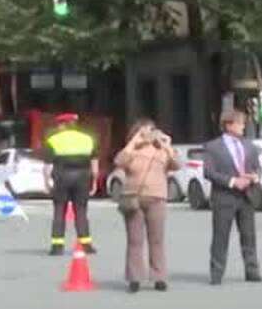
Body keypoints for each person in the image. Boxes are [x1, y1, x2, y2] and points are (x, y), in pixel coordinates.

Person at [113, 119, 178, 293]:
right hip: (133, 197)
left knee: (156, 240)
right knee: (135, 240)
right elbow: (119, 161)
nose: (149, 134)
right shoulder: (132, 150)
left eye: (152, 130)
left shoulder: (160, 150)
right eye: (144, 131)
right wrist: (134, 142)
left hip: (157, 196)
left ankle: (159, 277)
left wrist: (167, 144)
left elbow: (176, 164)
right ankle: (135, 278)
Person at [203, 111, 262, 285]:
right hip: (224, 196)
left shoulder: (249, 146)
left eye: (243, 123)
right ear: (228, 125)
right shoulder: (213, 147)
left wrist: (254, 177)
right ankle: (216, 273)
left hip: (247, 196)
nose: (243, 126)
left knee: (249, 236)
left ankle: (252, 271)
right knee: (220, 236)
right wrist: (232, 181)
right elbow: (209, 172)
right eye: (239, 123)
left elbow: (258, 168)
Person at [41, 112, 98, 256]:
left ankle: (57, 246)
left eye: (59, 125)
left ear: (63, 125)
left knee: (59, 210)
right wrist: (94, 181)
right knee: (81, 211)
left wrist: (47, 182)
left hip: (61, 176)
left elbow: (47, 165)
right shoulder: (88, 139)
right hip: (82, 176)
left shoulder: (53, 140)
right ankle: (86, 244)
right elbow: (94, 162)